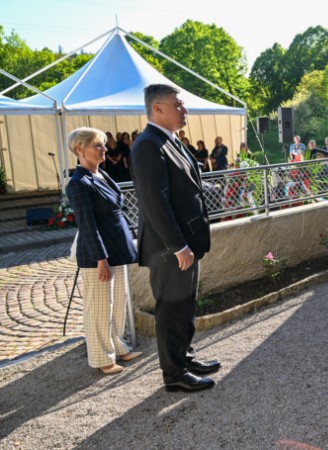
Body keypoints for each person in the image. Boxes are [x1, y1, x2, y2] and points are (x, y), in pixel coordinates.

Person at [130, 84, 220, 393]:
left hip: (186, 243)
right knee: (171, 310)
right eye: (178, 105)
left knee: (185, 305)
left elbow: (184, 187)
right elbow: (155, 202)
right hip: (170, 249)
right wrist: (178, 245)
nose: (184, 110)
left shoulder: (170, 141)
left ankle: (186, 357)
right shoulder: (147, 145)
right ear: (157, 109)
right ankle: (174, 374)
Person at [64, 127, 141, 375]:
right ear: (80, 149)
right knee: (99, 307)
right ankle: (102, 358)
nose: (104, 149)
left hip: (117, 249)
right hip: (99, 255)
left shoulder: (103, 175)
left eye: (103, 145)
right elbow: (87, 224)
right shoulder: (78, 183)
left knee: (118, 302)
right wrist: (101, 259)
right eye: (98, 145)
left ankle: (118, 346)